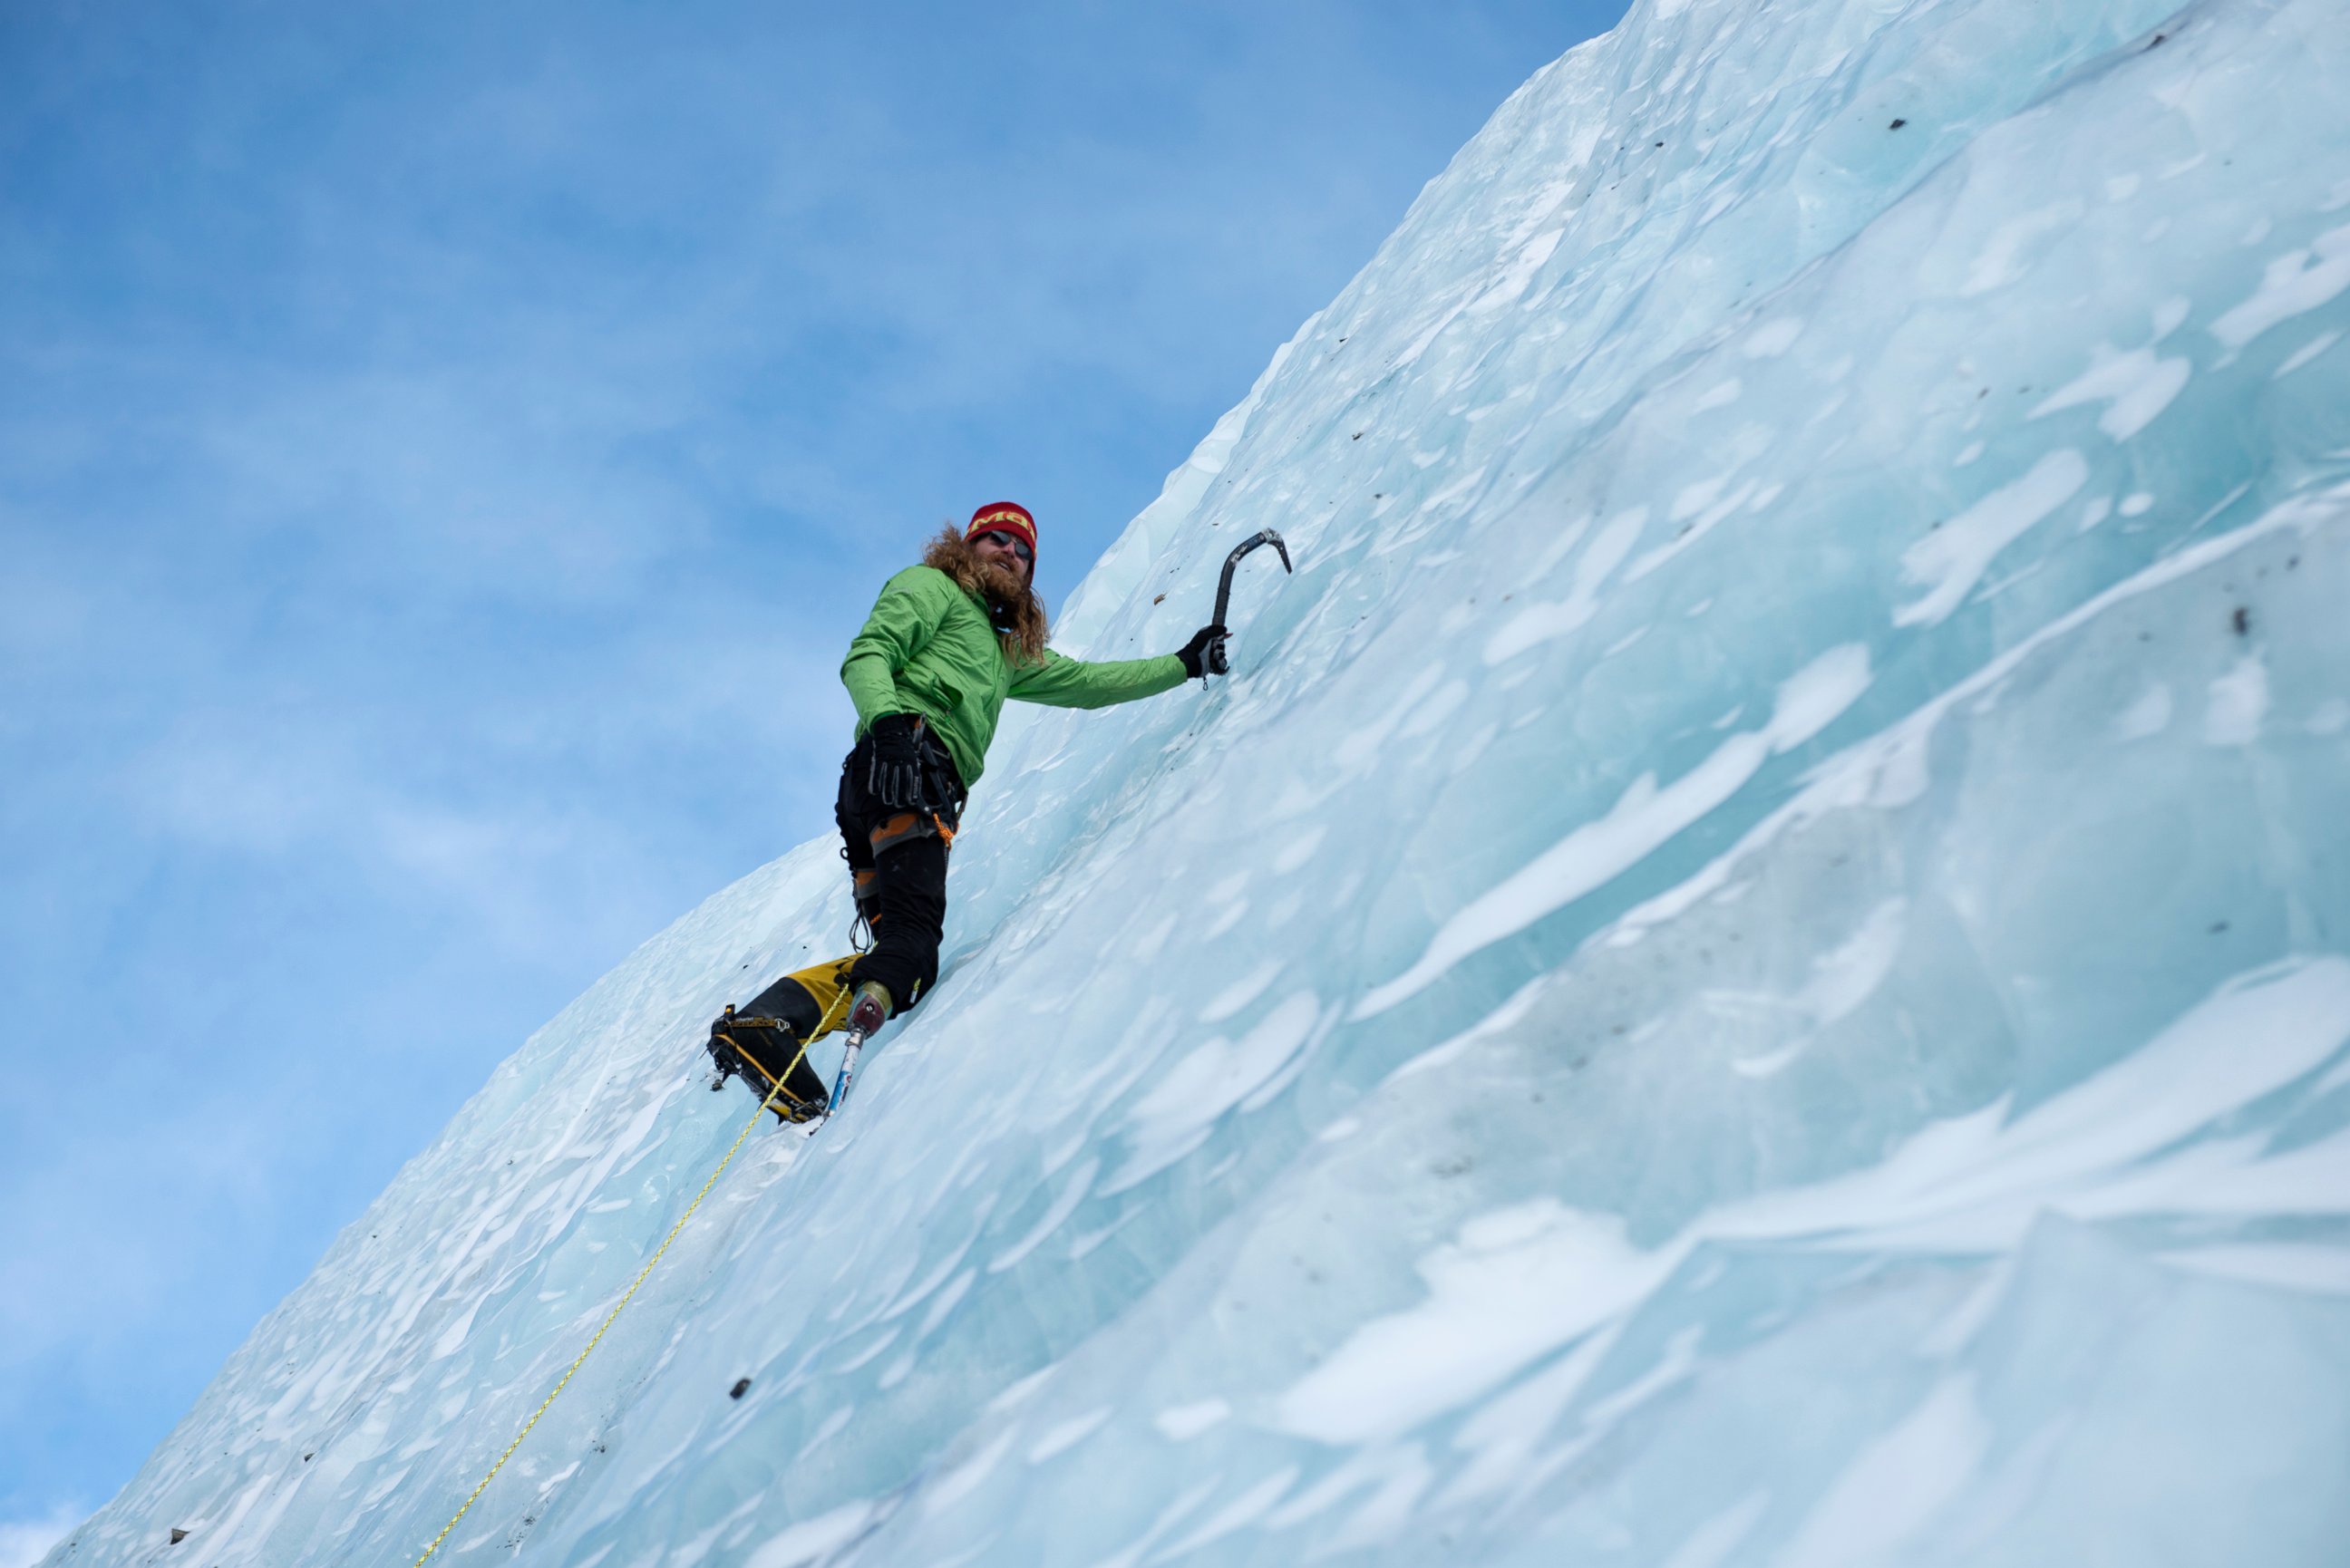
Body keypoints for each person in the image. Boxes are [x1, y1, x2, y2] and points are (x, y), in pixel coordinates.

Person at [709, 501, 1225, 1119]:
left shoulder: (1005, 653)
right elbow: (869, 653)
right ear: (968, 546)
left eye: (1023, 550)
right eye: (997, 540)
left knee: (900, 956)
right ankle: (768, 1023)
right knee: (914, 948)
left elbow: (1089, 685)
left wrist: (1183, 664)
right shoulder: (933, 588)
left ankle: (770, 1028)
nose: (1010, 552)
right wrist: (892, 726)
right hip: (904, 763)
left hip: (885, 783)